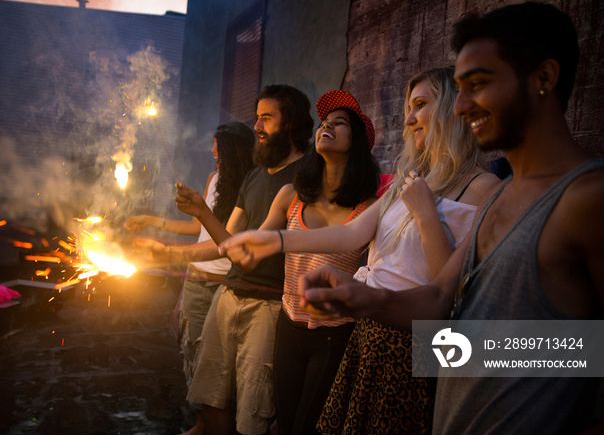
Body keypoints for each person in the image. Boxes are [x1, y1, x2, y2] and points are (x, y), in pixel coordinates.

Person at [290, 3, 604, 434]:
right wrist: (365, 300)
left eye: (478, 84)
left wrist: (424, 356)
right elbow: (442, 303)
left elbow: (587, 353)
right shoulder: (503, 195)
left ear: (544, 79)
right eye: (458, 90)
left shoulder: (588, 197)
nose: (460, 107)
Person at [220, 67, 499, 433]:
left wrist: (426, 213)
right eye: (408, 109)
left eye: (420, 105)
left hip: (416, 346)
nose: (410, 119)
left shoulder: (486, 188)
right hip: (369, 335)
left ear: (452, 108)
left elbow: (446, 294)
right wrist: (276, 240)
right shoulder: (410, 181)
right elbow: (349, 235)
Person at [136, 84, 314, 435]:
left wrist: (198, 217)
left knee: (252, 410)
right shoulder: (253, 176)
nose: (257, 127)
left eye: (266, 118)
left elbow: (250, 253)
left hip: (269, 306)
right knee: (211, 397)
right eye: (256, 117)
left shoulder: (308, 176)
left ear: (291, 123)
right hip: (228, 295)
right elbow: (228, 243)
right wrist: (187, 231)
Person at [244, 90, 380, 434]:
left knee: (311, 427)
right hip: (288, 325)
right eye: (324, 122)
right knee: (286, 421)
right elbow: (247, 249)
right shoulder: (291, 195)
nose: (327, 126)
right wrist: (178, 248)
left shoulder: (369, 208)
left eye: (339, 123)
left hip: (334, 336)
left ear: (357, 141)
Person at [125, 121, 255, 435]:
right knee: (195, 358)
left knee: (222, 366)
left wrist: (168, 251)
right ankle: (202, 423)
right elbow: (199, 229)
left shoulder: (251, 185)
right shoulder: (213, 179)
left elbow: (224, 242)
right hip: (196, 281)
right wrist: (152, 221)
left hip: (225, 285)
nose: (212, 151)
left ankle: (221, 427)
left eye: (218, 146)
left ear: (234, 151)